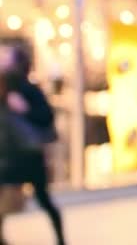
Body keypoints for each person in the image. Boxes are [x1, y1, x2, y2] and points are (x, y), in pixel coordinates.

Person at [0, 45, 66, 245]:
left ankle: (61, 239)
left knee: (43, 199)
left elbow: (46, 117)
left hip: (29, 156)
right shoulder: (4, 92)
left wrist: (24, 109)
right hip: (10, 157)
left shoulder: (28, 91)